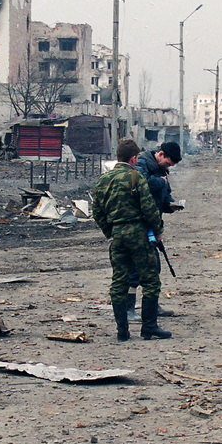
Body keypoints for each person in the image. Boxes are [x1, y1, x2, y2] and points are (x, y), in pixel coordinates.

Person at [91, 138, 171, 341]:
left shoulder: (103, 180)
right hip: (138, 233)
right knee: (151, 280)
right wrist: (157, 229)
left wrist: (110, 231)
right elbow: (148, 208)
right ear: (134, 158)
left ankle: (122, 331)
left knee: (119, 281)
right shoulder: (136, 177)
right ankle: (149, 328)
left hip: (117, 235)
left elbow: (97, 212)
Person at [126, 141, 183, 321]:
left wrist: (169, 204)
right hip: (139, 225)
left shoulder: (159, 169)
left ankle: (152, 304)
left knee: (153, 268)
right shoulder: (142, 164)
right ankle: (129, 308)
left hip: (151, 223)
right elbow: (141, 185)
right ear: (161, 154)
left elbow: (162, 192)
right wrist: (159, 182)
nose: (169, 167)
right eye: (168, 162)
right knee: (134, 270)